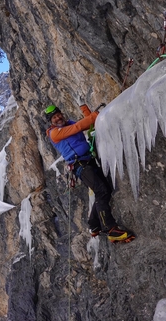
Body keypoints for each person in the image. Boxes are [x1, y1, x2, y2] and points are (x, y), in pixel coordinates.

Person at [45, 104, 135, 243]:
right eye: (54, 117)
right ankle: (110, 228)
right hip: (79, 164)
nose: (58, 118)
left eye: (58, 115)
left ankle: (94, 224)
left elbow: (90, 124)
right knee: (101, 191)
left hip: (88, 160)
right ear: (51, 122)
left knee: (105, 189)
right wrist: (92, 116)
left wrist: (87, 113)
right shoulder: (55, 133)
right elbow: (78, 127)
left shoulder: (69, 123)